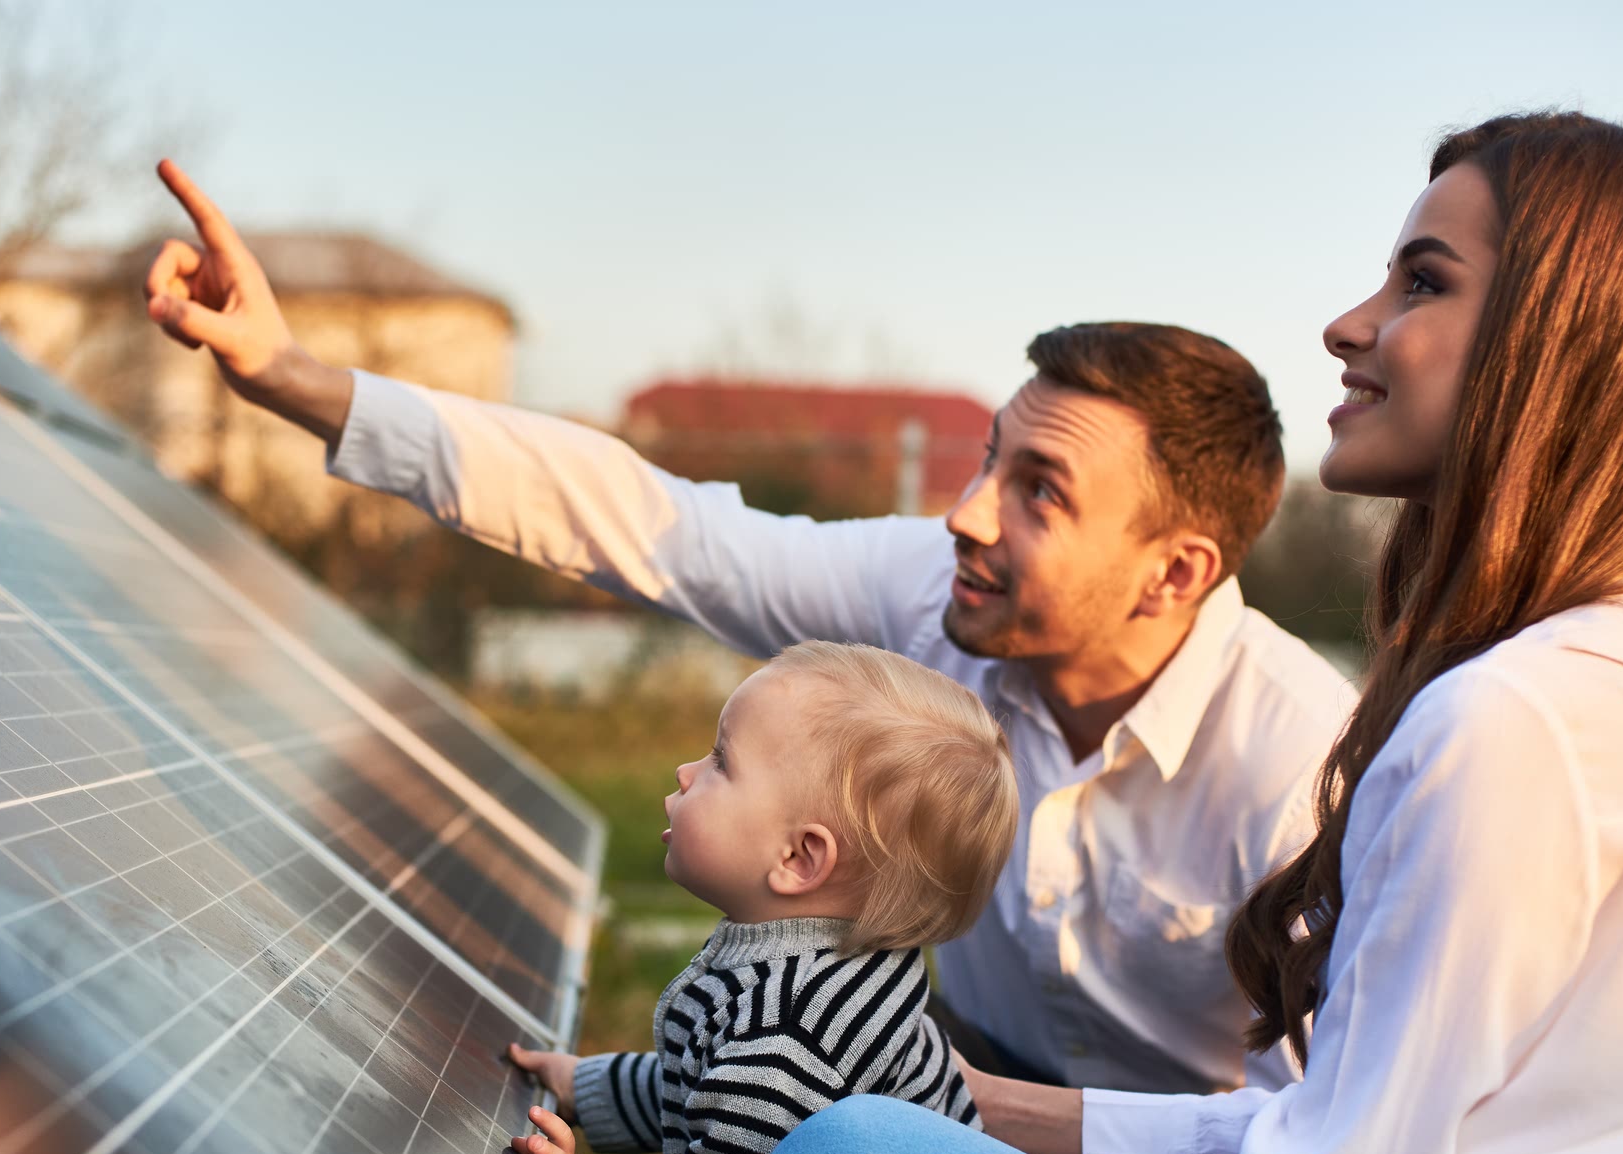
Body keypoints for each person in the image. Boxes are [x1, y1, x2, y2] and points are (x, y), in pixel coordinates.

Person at [747, 111, 1623, 1154]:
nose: (1348, 322)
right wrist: (985, 1116)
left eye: (1421, 281)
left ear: (1567, 344)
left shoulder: (1511, 718)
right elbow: (1350, 1119)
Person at [142, 166, 1358, 1097]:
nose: (965, 510)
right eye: (991, 456)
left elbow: (1313, 1152)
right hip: (962, 1079)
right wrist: (296, 378)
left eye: (1040, 489)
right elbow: (654, 525)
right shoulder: (936, 594)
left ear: (1174, 571)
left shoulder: (1302, 767)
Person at [502, 641, 1019, 1154]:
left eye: (718, 763)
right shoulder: (821, 968)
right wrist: (586, 1086)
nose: (684, 773)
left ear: (799, 857)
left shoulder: (789, 1032)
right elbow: (704, 1084)